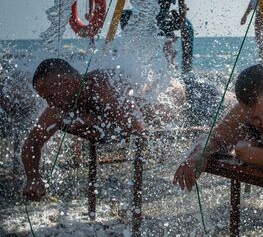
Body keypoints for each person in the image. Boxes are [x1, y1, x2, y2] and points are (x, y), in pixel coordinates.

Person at [22, 58, 186, 201]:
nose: (50, 104)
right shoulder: (59, 105)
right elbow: (31, 144)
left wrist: (90, 120)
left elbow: (137, 127)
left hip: (176, 93)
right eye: (46, 99)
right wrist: (33, 177)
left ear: (67, 83)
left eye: (50, 97)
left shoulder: (103, 85)